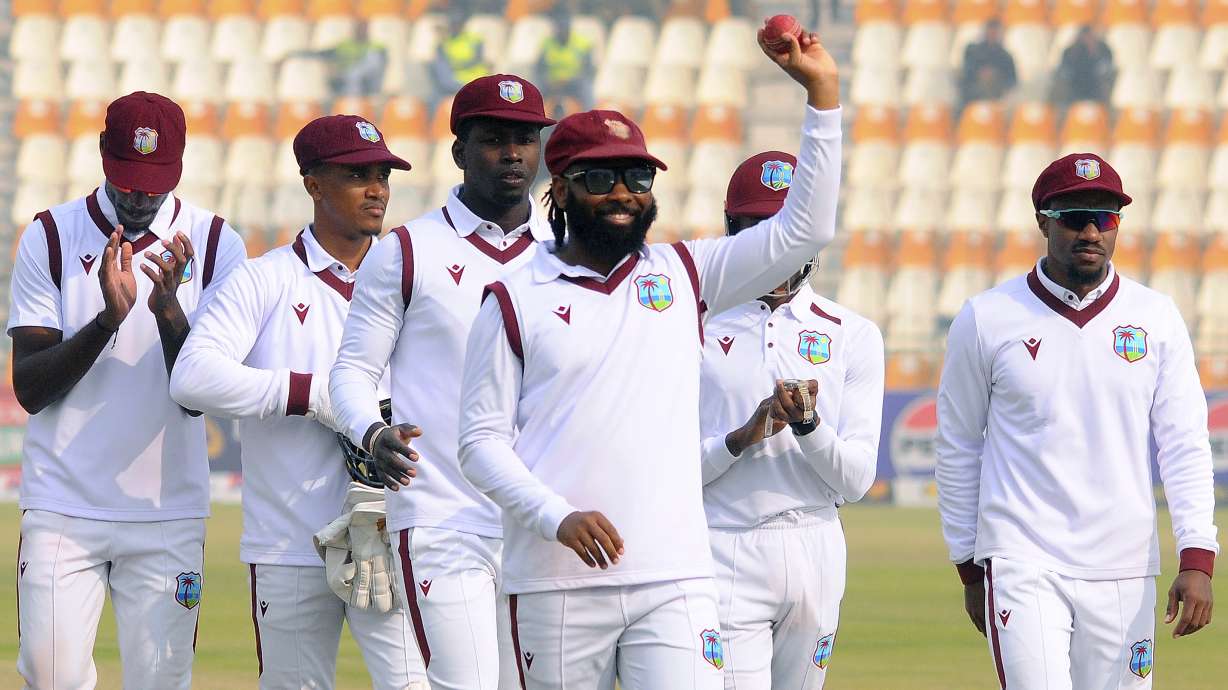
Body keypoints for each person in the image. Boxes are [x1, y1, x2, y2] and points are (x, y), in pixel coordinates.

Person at [455, 29, 840, 690]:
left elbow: (804, 231)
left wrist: (821, 95)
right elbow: (479, 444)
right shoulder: (513, 298)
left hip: (678, 578)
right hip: (555, 583)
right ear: (564, 188)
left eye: (637, 176)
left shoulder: (686, 273)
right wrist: (556, 516)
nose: (623, 192)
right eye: (600, 178)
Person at [936, 153, 1218, 689]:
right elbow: (958, 446)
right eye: (1074, 216)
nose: (1090, 230)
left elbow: (1183, 443)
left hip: (1126, 565)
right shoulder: (987, 317)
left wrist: (1197, 556)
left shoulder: (1155, 317)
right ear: (1042, 221)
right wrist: (969, 565)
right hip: (1023, 559)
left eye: (1105, 218)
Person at [168, 115, 429, 689]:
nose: (378, 187)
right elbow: (192, 377)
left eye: (383, 173)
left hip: (391, 533)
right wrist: (312, 394)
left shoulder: (416, 278)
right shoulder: (265, 279)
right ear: (313, 183)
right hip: (288, 543)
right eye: (358, 174)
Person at [9, 91, 246, 689]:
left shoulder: (216, 244)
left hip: (168, 510)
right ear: (101, 155)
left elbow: (201, 398)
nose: (140, 197)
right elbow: (32, 388)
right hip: (63, 504)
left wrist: (168, 312)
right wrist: (105, 323)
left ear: (181, 167)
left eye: (155, 182)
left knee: (161, 681)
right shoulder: (51, 236)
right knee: (49, 676)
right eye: (128, 180)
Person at [329, 74, 556, 690]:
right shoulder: (407, 249)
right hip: (442, 517)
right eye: (493, 139)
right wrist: (371, 431)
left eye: (526, 139)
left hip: (543, 518)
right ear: (459, 151)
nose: (512, 153)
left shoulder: (565, 251)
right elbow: (351, 370)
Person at [699, 151, 883, 689]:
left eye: (787, 225)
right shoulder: (692, 323)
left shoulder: (853, 333)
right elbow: (667, 473)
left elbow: (854, 481)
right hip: (723, 542)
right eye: (758, 226)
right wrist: (737, 440)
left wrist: (809, 427)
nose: (775, 242)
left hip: (816, 544)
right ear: (734, 230)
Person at [536, 6, 595, 114]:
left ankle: (589, 117)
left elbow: (588, 71)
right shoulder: (547, 43)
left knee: (586, 89)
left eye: (565, 26)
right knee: (535, 90)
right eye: (559, 26)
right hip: (551, 83)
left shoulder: (582, 43)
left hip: (573, 83)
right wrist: (550, 81)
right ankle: (534, 118)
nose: (562, 29)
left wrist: (570, 80)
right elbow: (539, 69)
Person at [431, 7, 491, 102]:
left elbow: (476, 60)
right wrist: (440, 39)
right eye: (452, 24)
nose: (454, 27)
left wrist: (455, 65)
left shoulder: (475, 39)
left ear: (462, 24)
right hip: (453, 82)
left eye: (457, 24)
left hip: (475, 80)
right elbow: (442, 64)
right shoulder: (445, 43)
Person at [957, 19, 1017, 114]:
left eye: (995, 32)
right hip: (973, 94)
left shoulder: (1005, 57)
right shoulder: (973, 51)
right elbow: (966, 74)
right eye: (991, 31)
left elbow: (1012, 81)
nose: (993, 35)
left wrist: (995, 76)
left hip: (998, 95)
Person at [1052, 25, 1115, 107]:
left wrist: (1095, 52)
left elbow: (1106, 67)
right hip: (1076, 86)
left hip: (1096, 86)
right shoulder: (1070, 51)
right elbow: (1065, 70)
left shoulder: (1103, 49)